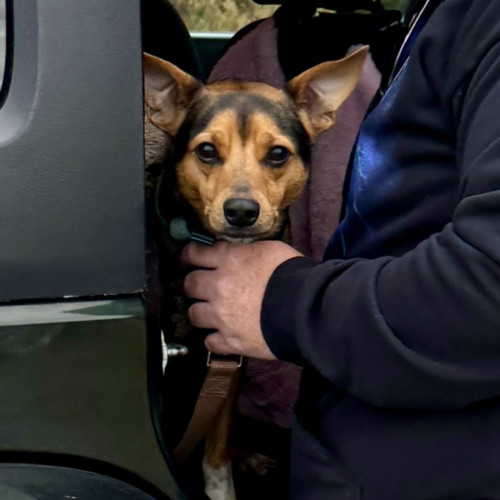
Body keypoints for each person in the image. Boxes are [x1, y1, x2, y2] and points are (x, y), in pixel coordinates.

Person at [180, 0, 500, 497]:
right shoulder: (439, 20)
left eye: (277, 157)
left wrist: (282, 301)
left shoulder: (483, 21)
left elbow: (488, 291)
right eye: (207, 153)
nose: (240, 193)